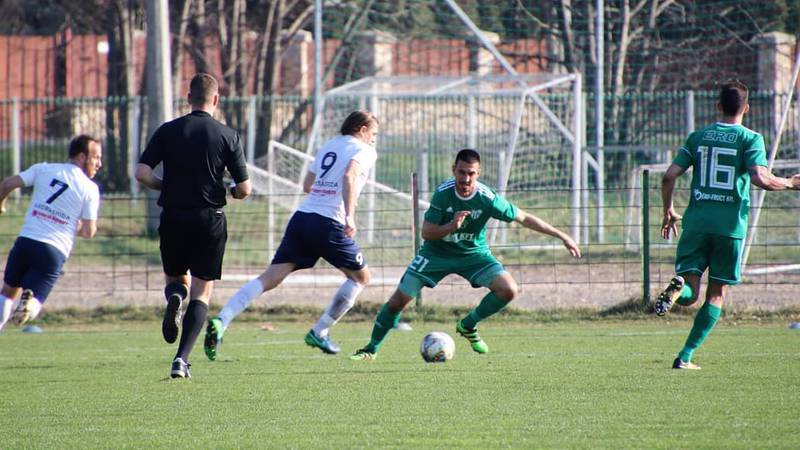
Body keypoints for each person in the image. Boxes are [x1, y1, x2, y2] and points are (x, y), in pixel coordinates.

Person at [350, 148, 582, 361]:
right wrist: (452, 226)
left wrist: (561, 235)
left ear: (478, 173)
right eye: (461, 172)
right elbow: (427, 232)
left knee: (508, 289)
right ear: (454, 171)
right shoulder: (443, 194)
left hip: (474, 254)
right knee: (397, 302)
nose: (466, 179)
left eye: (471, 173)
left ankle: (468, 325)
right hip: (436, 253)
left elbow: (523, 217)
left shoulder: (487, 198)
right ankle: (371, 349)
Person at [203, 110, 379, 360]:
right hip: (329, 223)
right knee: (361, 278)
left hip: (302, 218)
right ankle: (320, 330)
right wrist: (350, 215)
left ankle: (222, 319)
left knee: (270, 278)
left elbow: (308, 185)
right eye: (373, 134)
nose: (374, 139)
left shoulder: (329, 145)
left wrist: (328, 190)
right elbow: (350, 175)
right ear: (361, 130)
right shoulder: (365, 150)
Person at [656, 80, 800, 370]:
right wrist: (789, 183)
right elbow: (760, 177)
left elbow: (669, 176)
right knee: (716, 295)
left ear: (718, 106)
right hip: (730, 227)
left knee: (691, 293)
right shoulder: (751, 139)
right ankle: (685, 356)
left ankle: (679, 289)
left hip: (696, 224)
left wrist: (669, 209)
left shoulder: (698, 137)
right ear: (746, 108)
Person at [136, 73, 251, 379]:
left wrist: (166, 186)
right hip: (209, 218)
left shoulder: (168, 131)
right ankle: (181, 359)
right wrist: (231, 191)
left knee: (177, 278)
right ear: (216, 100)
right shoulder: (227, 135)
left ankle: (175, 296)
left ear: (188, 99)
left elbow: (141, 173)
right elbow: (245, 188)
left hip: (173, 215)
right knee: (202, 290)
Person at [0, 135, 102, 331]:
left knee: (7, 293)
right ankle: (29, 303)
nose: (99, 164)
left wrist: (1, 204)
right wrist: (71, 223)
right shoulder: (90, 189)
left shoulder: (43, 169)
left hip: (26, 241)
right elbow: (89, 231)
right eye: (96, 157)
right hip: (54, 250)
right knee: (36, 299)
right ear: (81, 157)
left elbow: (6, 185)